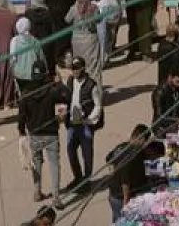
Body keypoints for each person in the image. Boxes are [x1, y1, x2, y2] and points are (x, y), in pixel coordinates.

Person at [18, 64, 66, 205]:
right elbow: (66, 97)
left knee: (36, 164)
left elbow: (21, 116)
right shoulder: (51, 91)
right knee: (54, 164)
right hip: (51, 133)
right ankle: (56, 196)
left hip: (34, 134)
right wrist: (60, 83)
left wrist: (21, 131)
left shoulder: (26, 94)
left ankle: (37, 191)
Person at [61, 56, 104, 191]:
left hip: (85, 124)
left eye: (77, 68)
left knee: (87, 154)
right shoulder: (70, 81)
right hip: (72, 122)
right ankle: (78, 178)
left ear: (83, 68)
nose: (74, 71)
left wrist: (90, 120)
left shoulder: (92, 85)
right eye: (73, 69)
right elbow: (67, 98)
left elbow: (98, 105)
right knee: (70, 150)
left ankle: (86, 181)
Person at [104, 124, 152, 222]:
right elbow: (125, 181)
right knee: (123, 221)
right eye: (145, 141)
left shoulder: (121, 147)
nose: (145, 144)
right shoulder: (131, 155)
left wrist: (112, 172)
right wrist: (126, 203)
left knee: (117, 220)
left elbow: (108, 158)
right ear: (142, 139)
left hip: (113, 194)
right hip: (121, 197)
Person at [65, 0, 105, 85]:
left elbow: (67, 19)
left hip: (77, 41)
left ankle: (82, 93)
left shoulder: (74, 9)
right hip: (91, 40)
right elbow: (100, 20)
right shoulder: (94, 8)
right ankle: (95, 94)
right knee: (94, 68)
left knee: (79, 66)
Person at [0, 0, 20, 109]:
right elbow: (16, 33)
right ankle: (8, 101)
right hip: (9, 48)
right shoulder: (13, 17)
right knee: (8, 75)